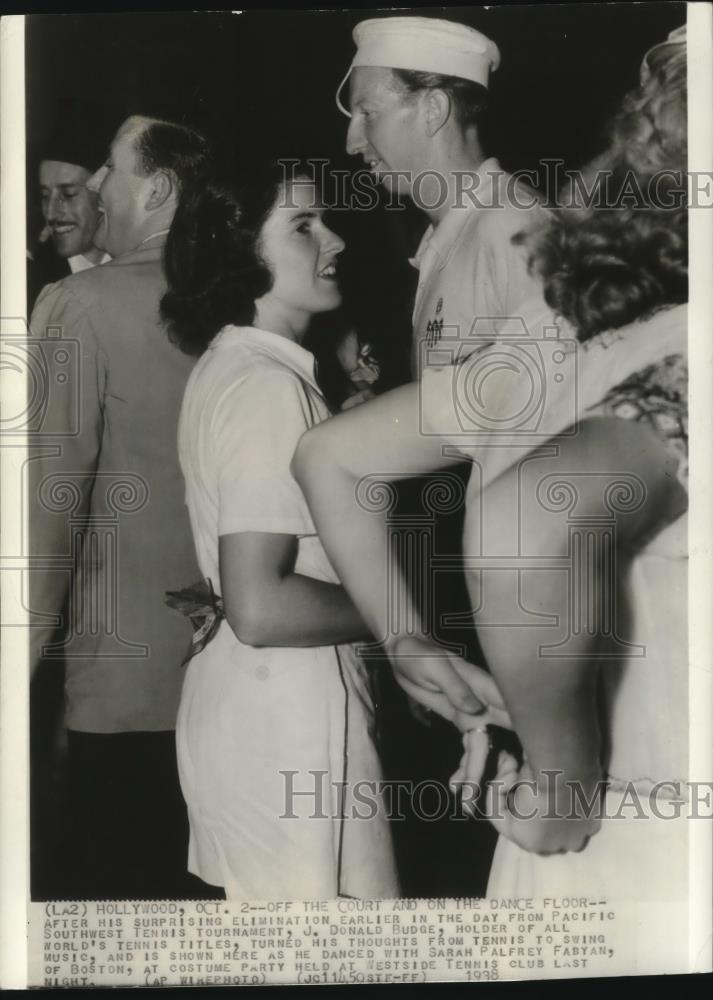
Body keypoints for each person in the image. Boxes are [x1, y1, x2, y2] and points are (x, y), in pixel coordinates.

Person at [293, 26, 688, 906]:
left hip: (576, 710)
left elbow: (535, 496)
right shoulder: (462, 245)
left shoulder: (519, 245)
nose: (352, 140)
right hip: (572, 711)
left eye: (364, 111)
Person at [29, 115, 210, 899]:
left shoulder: (81, 303)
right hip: (224, 675)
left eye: (108, 168)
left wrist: (19, 653)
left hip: (118, 686)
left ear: (160, 189)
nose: (98, 185)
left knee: (109, 899)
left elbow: (50, 499)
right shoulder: (240, 298)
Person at [337, 15, 547, 378]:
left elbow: (561, 411)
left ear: (433, 110)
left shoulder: (514, 227)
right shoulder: (448, 234)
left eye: (368, 113)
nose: (351, 143)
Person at [28, 103, 113, 307]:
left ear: (104, 194)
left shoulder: (142, 266)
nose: (50, 212)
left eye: (68, 194)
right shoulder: (33, 282)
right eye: (45, 195)